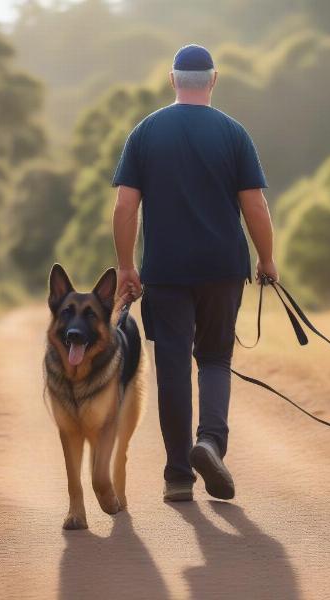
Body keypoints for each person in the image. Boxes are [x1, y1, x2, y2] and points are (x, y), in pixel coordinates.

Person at [111, 44, 277, 502]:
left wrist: (126, 266)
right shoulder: (233, 133)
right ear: (214, 80)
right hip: (223, 269)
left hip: (165, 272)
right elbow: (255, 206)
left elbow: (125, 206)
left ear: (172, 80)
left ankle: (178, 476)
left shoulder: (145, 132)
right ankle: (211, 442)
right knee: (215, 359)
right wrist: (266, 258)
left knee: (172, 366)